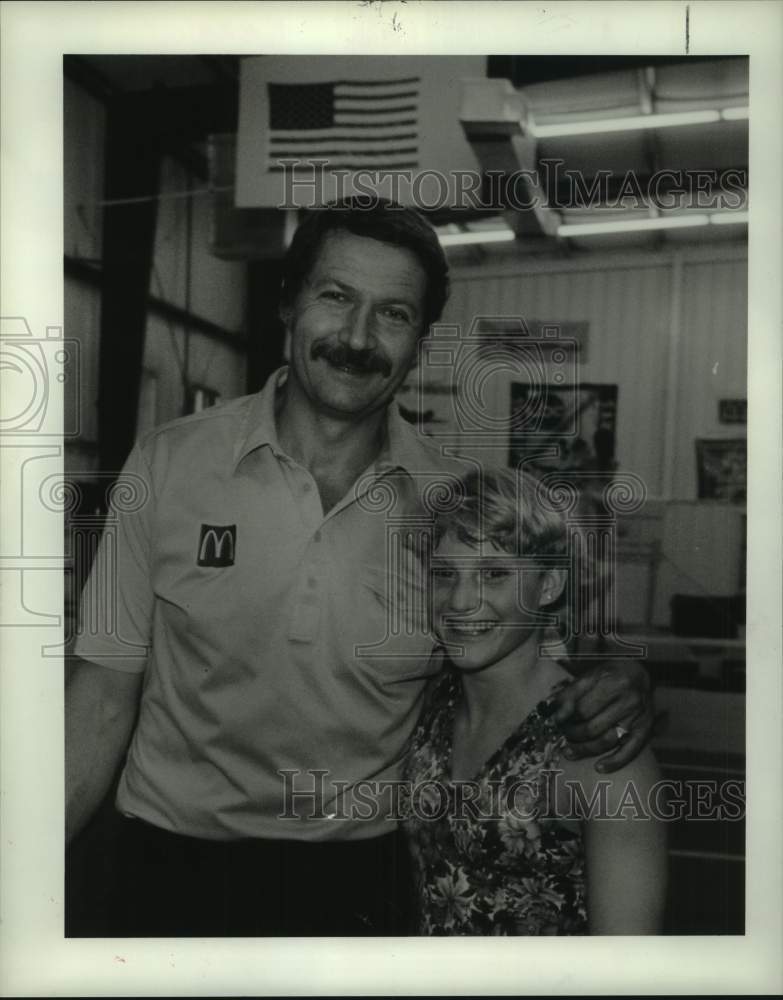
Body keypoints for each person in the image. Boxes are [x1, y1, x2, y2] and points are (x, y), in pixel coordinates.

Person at [66, 196, 655, 937]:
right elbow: (101, 696)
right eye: (335, 297)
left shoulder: (459, 510)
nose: (356, 337)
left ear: (420, 343)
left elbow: (537, 686)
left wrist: (621, 679)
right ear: (287, 304)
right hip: (170, 865)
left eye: (393, 314)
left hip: (356, 881)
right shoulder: (167, 462)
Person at [404, 467, 667, 935]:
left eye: (495, 573)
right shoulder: (430, 702)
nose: (461, 600)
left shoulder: (599, 743)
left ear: (549, 586)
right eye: (445, 573)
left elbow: (628, 965)